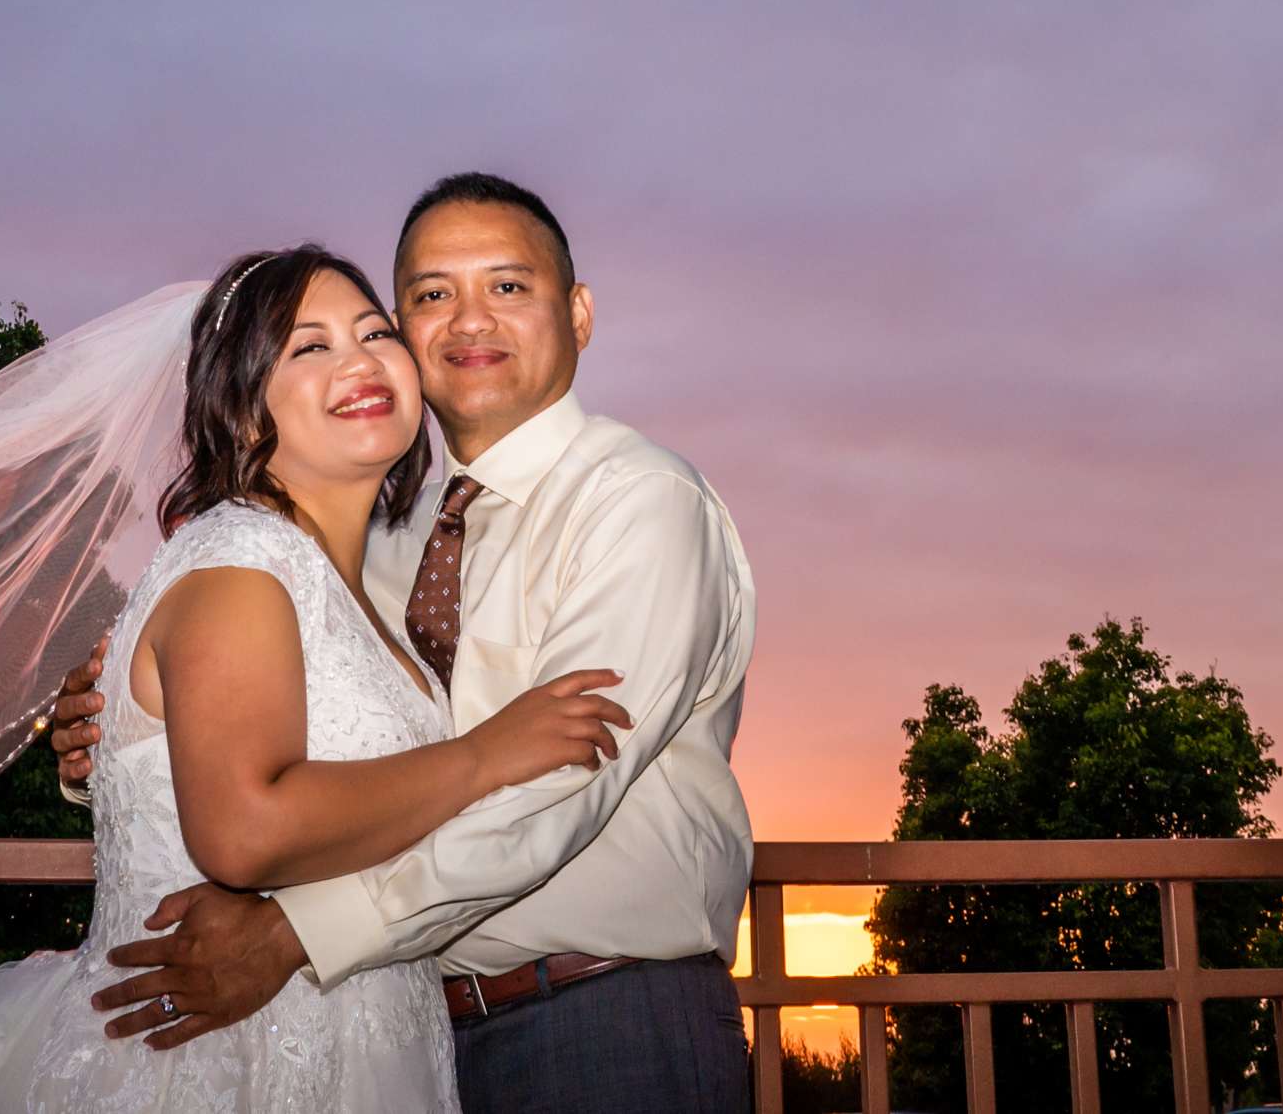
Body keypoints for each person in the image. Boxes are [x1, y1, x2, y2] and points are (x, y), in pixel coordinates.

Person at [52, 173, 760, 1114]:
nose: (470, 320)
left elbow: (559, 788)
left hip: (600, 1018)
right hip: (404, 1027)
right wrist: (117, 738)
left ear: (579, 313)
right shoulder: (376, 537)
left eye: (508, 287)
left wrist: (297, 933)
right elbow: (304, 737)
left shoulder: (640, 505)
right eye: (430, 296)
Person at [0, 243, 634, 1112]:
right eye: (308, 346)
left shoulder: (351, 579)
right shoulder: (240, 563)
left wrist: (100, 755)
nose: (358, 360)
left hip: (360, 1036)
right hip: (226, 1052)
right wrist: (482, 757)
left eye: (371, 332)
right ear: (244, 410)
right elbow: (241, 831)